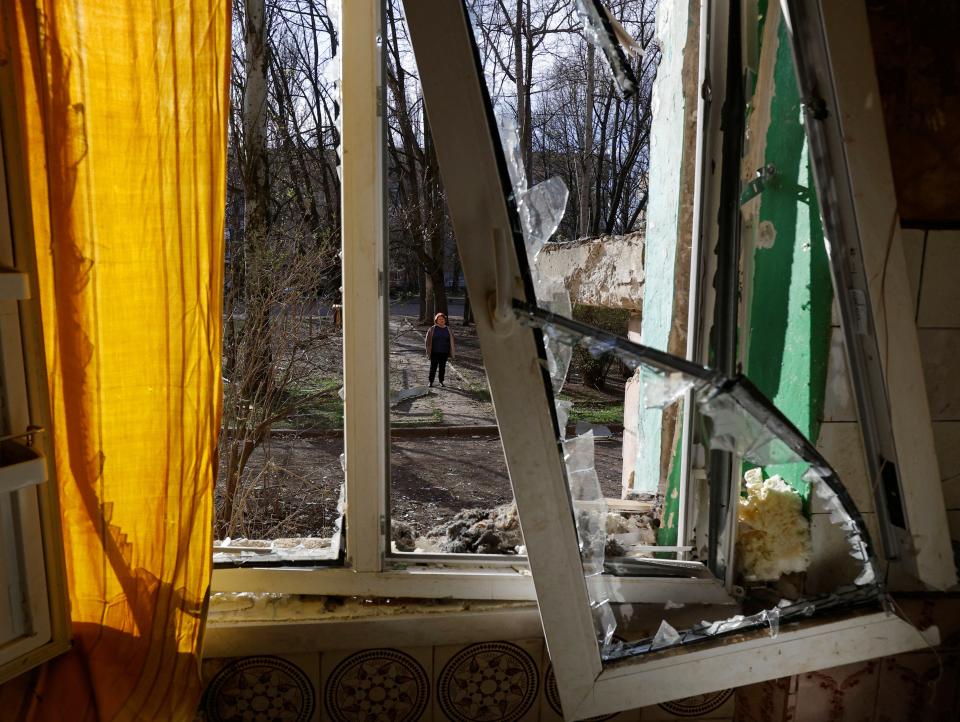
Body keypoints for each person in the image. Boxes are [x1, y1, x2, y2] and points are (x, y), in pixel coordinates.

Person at [424, 312, 455, 387]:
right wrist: (428, 351)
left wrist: (451, 351)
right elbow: (427, 341)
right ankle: (430, 382)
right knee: (433, 367)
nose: (441, 320)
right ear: (436, 320)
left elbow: (452, 340)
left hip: (444, 352)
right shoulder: (432, 329)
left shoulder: (448, 329)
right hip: (434, 352)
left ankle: (441, 381)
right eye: (439, 319)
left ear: (445, 320)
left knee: (442, 367)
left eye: (443, 319)